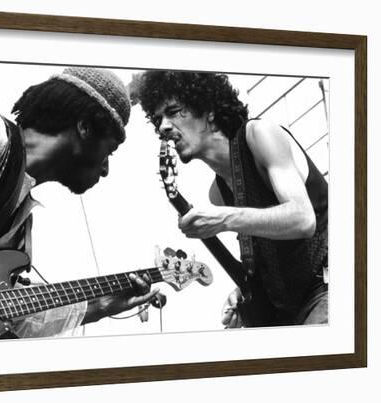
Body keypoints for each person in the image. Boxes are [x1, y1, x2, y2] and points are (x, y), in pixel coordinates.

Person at [0, 67, 159, 339]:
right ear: (85, 126)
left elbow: (8, 317)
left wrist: (101, 305)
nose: (105, 170)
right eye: (109, 151)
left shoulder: (20, 231)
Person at [133, 71, 328, 327]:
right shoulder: (217, 194)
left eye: (173, 111)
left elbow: (303, 220)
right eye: (158, 118)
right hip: (288, 310)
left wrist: (226, 219)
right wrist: (247, 295)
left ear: (208, 110)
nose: (163, 126)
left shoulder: (260, 135)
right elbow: (268, 255)